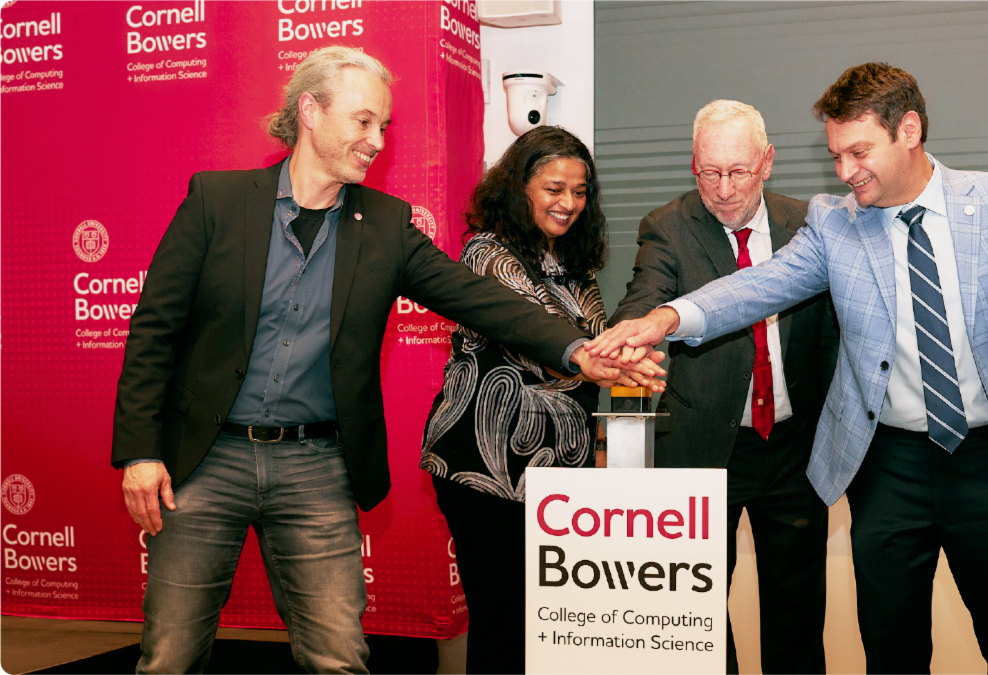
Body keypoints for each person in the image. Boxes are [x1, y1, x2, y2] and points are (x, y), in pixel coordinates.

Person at [111, 46, 662, 675]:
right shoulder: (217, 201)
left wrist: (578, 351)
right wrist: (140, 451)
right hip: (206, 460)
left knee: (339, 660)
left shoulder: (385, 225)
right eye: (364, 121)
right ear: (311, 111)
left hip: (317, 467)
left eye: (384, 126)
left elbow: (482, 299)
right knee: (171, 657)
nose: (377, 141)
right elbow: (154, 330)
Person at [588, 63, 988, 674]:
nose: (846, 172)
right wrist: (668, 317)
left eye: (859, 152)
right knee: (892, 649)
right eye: (836, 157)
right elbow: (759, 285)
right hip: (889, 465)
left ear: (909, 131)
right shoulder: (835, 221)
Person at [609, 100, 837, 675]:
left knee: (796, 610)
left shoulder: (809, 223)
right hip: (704, 444)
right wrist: (631, 337)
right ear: (694, 165)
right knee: (697, 615)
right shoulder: (668, 226)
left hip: (796, 444)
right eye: (709, 173)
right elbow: (644, 299)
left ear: (767, 162)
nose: (724, 189)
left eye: (738, 171)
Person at [419, 125, 650, 674]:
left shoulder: (572, 262)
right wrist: (610, 359)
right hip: (487, 470)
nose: (569, 202)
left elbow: (593, 345)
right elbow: (539, 339)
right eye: (554, 188)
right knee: (505, 628)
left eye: (580, 191)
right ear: (518, 187)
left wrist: (628, 357)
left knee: (548, 633)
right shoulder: (486, 253)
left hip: (556, 476)